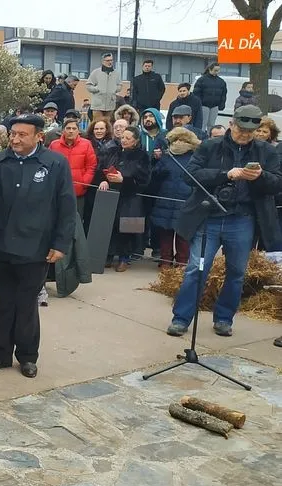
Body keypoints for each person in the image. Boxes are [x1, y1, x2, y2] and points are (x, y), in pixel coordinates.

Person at [166, 105, 282, 338]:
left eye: (250, 131)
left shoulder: (267, 152)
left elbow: (277, 183)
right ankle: (181, 318)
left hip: (242, 219)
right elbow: (190, 175)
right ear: (231, 124)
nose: (245, 135)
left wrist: (260, 177)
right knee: (196, 269)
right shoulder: (210, 146)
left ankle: (224, 318)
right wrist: (226, 174)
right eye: (241, 129)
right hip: (208, 217)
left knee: (236, 272)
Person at [0, 113, 75, 378]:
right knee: (2, 302)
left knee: (27, 303)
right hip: (1, 246)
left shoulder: (55, 164)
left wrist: (60, 243)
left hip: (36, 247)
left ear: (38, 137)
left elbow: (66, 207)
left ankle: (28, 356)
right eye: (13, 134)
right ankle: (0, 354)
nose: (15, 139)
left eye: (22, 135)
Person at [150, 127, 200, 269]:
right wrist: (157, 163)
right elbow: (156, 175)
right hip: (166, 197)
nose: (178, 143)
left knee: (183, 234)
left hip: (185, 199)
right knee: (165, 232)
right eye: (176, 140)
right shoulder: (167, 156)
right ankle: (165, 260)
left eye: (182, 140)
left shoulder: (195, 157)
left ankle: (181, 262)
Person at [101, 126, 150, 271]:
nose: (124, 140)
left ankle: (125, 257)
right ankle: (108, 255)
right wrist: (104, 180)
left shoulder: (142, 156)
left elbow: (144, 180)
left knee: (129, 227)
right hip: (111, 193)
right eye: (123, 137)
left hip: (132, 196)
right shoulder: (113, 151)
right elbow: (101, 168)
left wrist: (124, 180)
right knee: (110, 225)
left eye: (128, 138)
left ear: (135, 141)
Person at [49, 118, 97, 218]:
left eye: (74, 128)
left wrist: (84, 183)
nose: (71, 131)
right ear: (63, 130)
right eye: (68, 128)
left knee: (76, 220)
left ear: (78, 131)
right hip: (58, 191)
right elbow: (49, 165)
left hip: (78, 192)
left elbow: (91, 166)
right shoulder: (54, 145)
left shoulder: (86, 144)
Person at [85, 53, 121, 125]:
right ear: (102, 61)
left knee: (108, 124)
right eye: (107, 60)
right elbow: (88, 85)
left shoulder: (116, 73)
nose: (110, 62)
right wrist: (97, 89)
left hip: (110, 103)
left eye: (111, 60)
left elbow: (120, 85)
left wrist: (114, 89)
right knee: (97, 123)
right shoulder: (96, 72)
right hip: (98, 104)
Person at [193, 62, 227, 130]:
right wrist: (199, 103)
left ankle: (210, 135)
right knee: (203, 123)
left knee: (211, 124)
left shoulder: (221, 81)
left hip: (215, 106)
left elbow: (223, 94)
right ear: (210, 69)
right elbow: (196, 93)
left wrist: (222, 104)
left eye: (218, 70)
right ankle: (201, 135)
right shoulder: (202, 80)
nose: (217, 72)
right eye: (215, 70)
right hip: (204, 105)